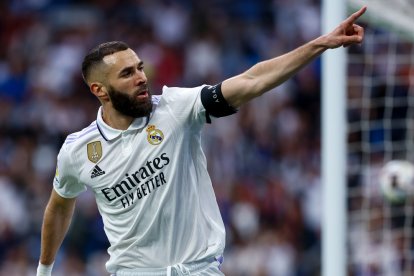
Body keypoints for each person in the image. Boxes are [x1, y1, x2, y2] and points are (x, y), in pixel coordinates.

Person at [37, 6, 366, 276]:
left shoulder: (175, 108)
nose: (141, 77)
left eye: (139, 67)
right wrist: (44, 269)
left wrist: (320, 44)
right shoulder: (78, 152)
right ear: (99, 90)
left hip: (199, 270)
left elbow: (252, 81)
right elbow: (60, 203)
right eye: (127, 74)